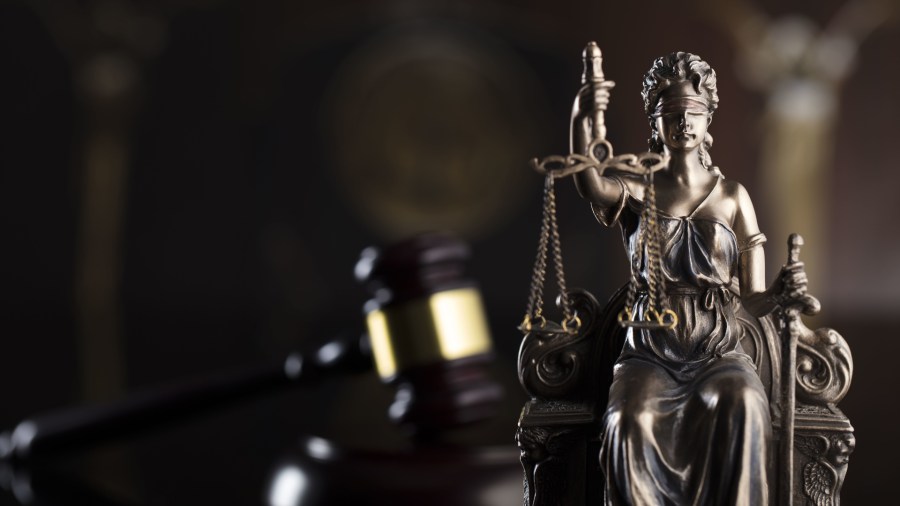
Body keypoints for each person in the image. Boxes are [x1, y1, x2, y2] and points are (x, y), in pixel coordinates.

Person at [570, 52, 806, 505]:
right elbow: (591, 183)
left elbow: (753, 299)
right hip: (650, 350)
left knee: (743, 404)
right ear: (655, 123)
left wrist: (780, 292)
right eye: (671, 114)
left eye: (693, 113)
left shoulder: (733, 197)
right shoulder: (639, 185)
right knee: (628, 420)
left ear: (708, 117)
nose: (683, 123)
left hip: (717, 349)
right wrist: (583, 116)